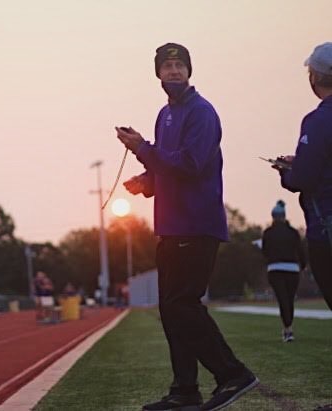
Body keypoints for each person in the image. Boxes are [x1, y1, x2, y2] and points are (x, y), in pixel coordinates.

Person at [115, 43, 258, 411]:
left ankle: (232, 374)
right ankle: (184, 390)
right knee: (170, 307)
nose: (174, 71)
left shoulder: (201, 112)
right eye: (167, 66)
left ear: (189, 71)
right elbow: (169, 165)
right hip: (171, 225)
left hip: (196, 224)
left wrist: (142, 148)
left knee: (182, 304)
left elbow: (191, 165)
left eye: (180, 65)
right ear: (158, 74)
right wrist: (147, 180)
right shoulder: (165, 114)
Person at [275, 42, 332, 311]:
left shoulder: (318, 121)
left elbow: (303, 180)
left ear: (316, 77)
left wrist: (288, 172)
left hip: (326, 228)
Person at [261, 200, 306, 342]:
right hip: (292, 269)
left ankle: (287, 329)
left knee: (282, 299)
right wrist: (303, 266)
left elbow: (265, 252)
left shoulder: (268, 233)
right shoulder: (293, 232)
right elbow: (300, 251)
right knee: (289, 299)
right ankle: (288, 327)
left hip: (275, 269)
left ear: (273, 216)